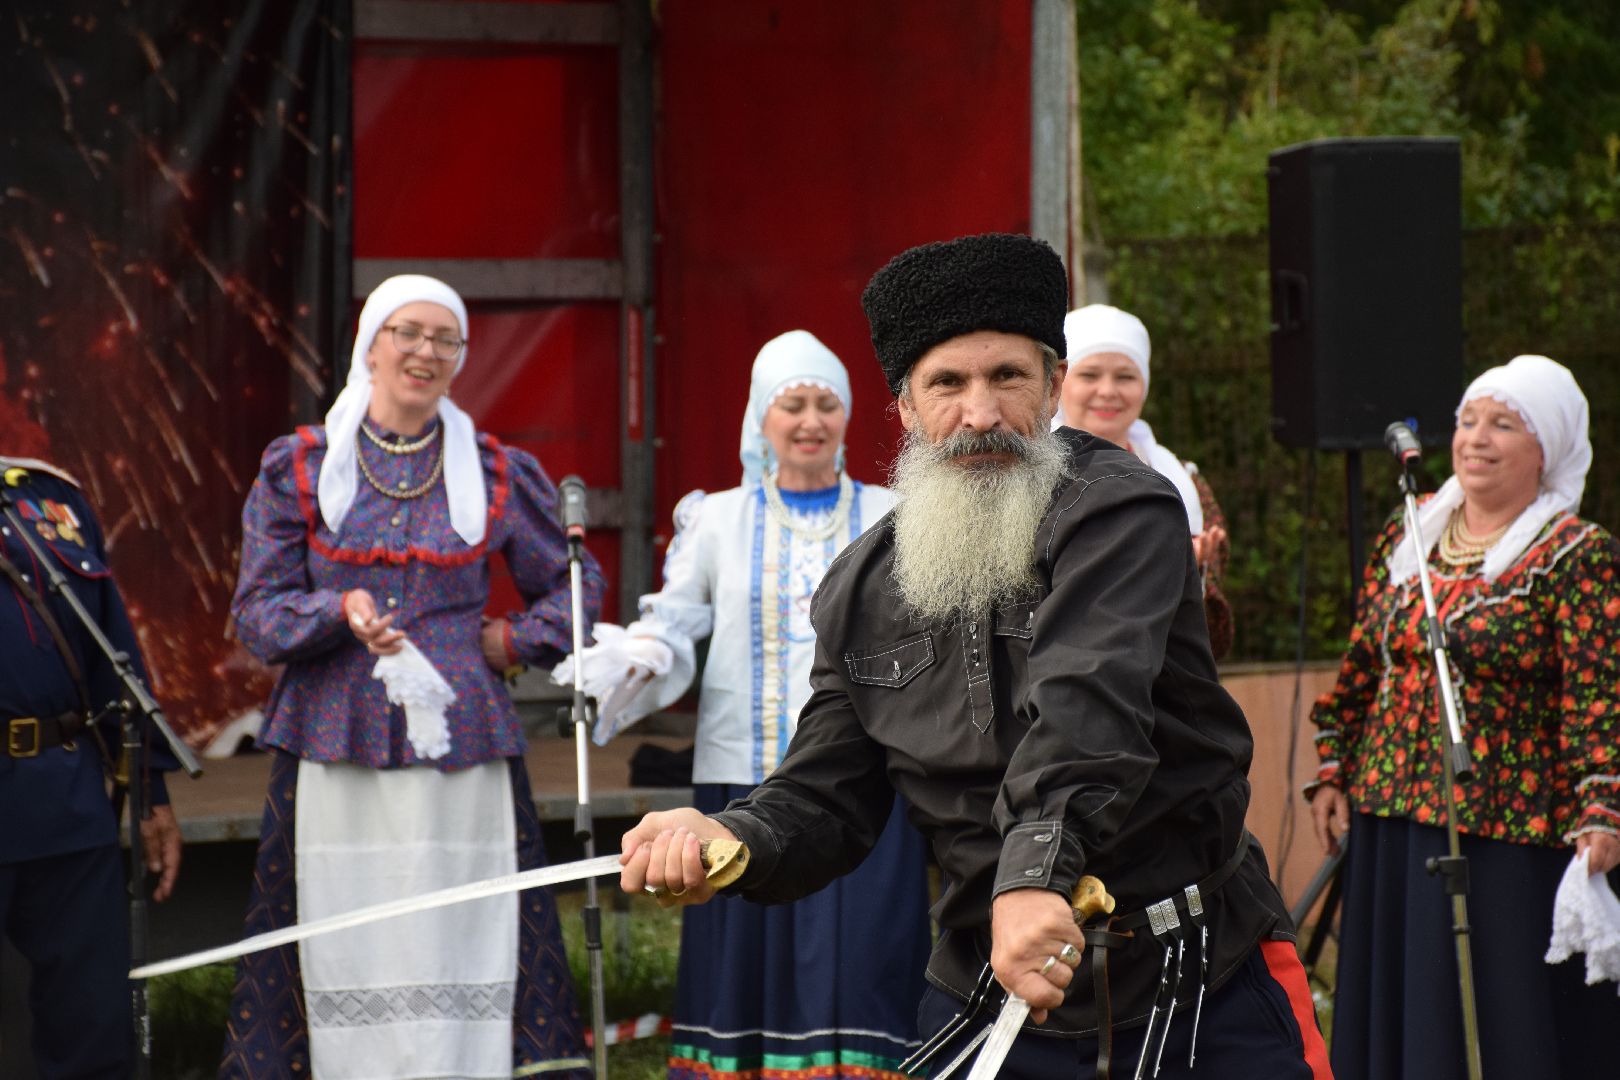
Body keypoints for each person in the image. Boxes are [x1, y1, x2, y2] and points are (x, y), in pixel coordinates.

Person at [618, 234, 1329, 1079]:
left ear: (1054, 387)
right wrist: (731, 835)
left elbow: (1088, 708)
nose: (980, 414)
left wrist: (1033, 877)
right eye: (947, 383)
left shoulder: (1123, 510)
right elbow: (827, 794)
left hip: (1198, 977)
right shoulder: (860, 586)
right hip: (986, 983)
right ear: (906, 408)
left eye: (1008, 378)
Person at [219, 275, 603, 1080]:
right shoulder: (301, 465)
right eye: (409, 333)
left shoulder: (496, 471)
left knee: (463, 928)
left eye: (445, 339)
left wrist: (506, 641)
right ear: (371, 345)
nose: (426, 351)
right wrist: (338, 611)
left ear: (460, 356)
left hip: (462, 747)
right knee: (336, 925)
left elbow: (574, 587)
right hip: (330, 738)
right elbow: (257, 614)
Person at [559, 330, 932, 1079]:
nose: (810, 420)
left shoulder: (896, 513)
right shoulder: (716, 520)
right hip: (742, 773)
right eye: (792, 404)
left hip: (866, 778)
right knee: (745, 950)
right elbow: (675, 622)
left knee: (867, 950)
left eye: (826, 403)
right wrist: (638, 657)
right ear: (761, 417)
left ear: (848, 414)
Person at [1307, 354, 1620, 1079]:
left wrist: (1601, 805)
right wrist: (1333, 765)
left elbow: (1597, 694)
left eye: (1503, 425)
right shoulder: (1410, 533)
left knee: (1501, 1017)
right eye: (1468, 421)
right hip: (1391, 818)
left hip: (1506, 828)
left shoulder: (1576, 554)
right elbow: (1364, 662)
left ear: (1547, 448)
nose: (1476, 439)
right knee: (1403, 1017)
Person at [0, 455, 183, 1079]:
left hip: (63, 798)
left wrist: (150, 789)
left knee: (94, 1028)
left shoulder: (46, 498)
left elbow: (113, 653)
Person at [1053, 304, 1233, 659]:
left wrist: (1190, 573)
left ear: (1145, 385)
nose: (1108, 391)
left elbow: (1212, 643)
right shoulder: (1028, 479)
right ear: (1058, 382)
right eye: (1089, 375)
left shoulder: (1183, 480)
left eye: (1125, 377)